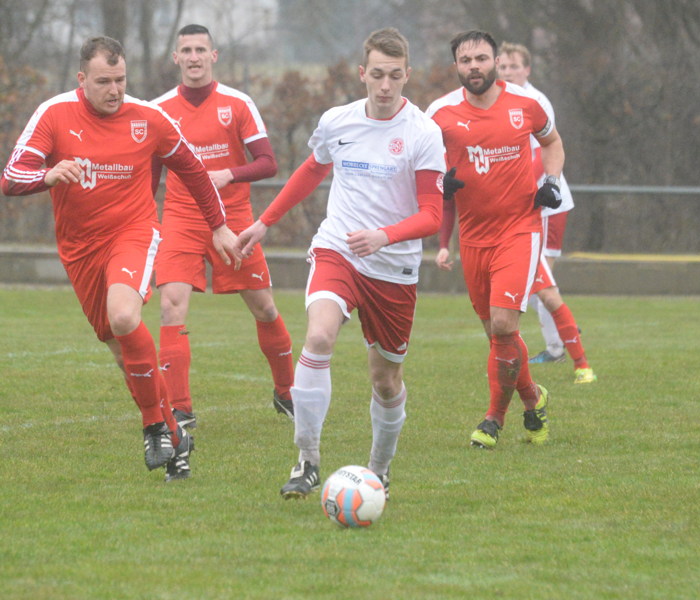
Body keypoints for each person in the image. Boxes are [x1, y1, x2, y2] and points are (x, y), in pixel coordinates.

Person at [1, 36, 244, 481]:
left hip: (134, 232)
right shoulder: (54, 113)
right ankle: (176, 437)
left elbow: (192, 169)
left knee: (125, 316)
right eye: (103, 82)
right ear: (81, 79)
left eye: (120, 80)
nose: (114, 90)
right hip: (80, 250)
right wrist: (48, 175)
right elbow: (11, 176)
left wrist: (219, 225)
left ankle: (154, 426)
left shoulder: (148, 118)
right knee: (120, 351)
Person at [238, 27, 445, 500]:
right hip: (339, 249)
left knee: (385, 380)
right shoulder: (338, 121)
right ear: (362, 73)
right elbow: (313, 169)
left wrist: (384, 236)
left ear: (407, 75)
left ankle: (378, 470)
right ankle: (307, 460)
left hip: (393, 267)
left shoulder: (423, 133)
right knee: (318, 337)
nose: (386, 85)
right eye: (378, 74)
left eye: (395, 76)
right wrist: (265, 221)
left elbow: (433, 214)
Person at [152, 24, 293, 429]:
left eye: (201, 50)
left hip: (235, 220)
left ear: (213, 56)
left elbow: (268, 163)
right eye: (186, 51)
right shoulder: (159, 109)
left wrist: (229, 174)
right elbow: (150, 172)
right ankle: (181, 409)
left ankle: (286, 392)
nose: (193, 57)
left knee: (264, 308)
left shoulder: (238, 102)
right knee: (170, 305)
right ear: (175, 58)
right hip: (181, 218)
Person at [427, 30, 561, 449]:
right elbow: (423, 166)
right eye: (466, 60)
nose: (474, 67)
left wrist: (551, 180)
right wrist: (439, 183)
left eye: (481, 58)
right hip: (473, 237)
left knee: (504, 325)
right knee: (496, 336)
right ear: (456, 66)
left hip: (520, 229)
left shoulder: (526, 104)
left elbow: (553, 142)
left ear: (495, 61)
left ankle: (492, 420)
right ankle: (532, 398)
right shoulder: (439, 113)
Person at [497, 41, 597, 384]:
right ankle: (560, 342)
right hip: (520, 207)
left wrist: (519, 189)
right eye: (503, 66)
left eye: (514, 66)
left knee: (541, 284)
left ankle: (561, 346)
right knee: (538, 286)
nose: (508, 72)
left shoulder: (535, 101)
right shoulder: (497, 100)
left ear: (527, 70)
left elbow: (545, 151)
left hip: (547, 205)